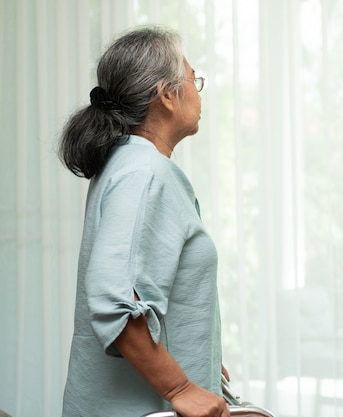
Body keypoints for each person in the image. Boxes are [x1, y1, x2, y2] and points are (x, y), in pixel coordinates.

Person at [58, 26, 230, 417]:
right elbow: (113, 300)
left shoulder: (127, 164)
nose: (198, 91)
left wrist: (191, 356)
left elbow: (147, 290)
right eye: (193, 80)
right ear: (167, 95)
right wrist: (180, 386)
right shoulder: (144, 172)